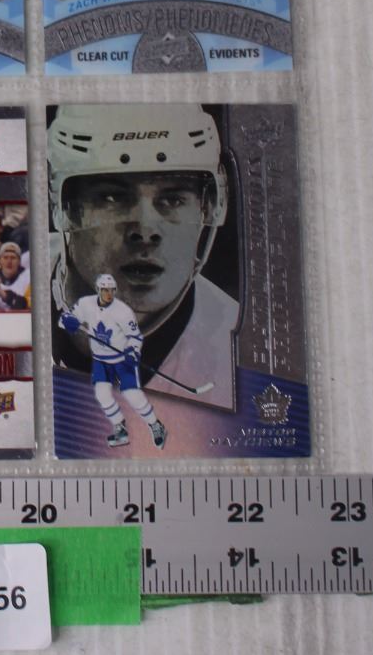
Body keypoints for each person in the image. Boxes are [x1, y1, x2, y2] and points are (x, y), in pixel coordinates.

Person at [47, 104, 237, 408]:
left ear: (208, 207)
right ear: (64, 206)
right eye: (112, 197)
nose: (146, 230)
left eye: (173, 199)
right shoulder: (11, 287)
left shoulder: (236, 353)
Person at [58, 273, 167, 449]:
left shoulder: (122, 311)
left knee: (132, 394)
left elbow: (135, 336)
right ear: (98, 290)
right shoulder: (86, 304)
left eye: (111, 290)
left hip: (121, 359)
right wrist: (68, 321)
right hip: (101, 360)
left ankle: (156, 425)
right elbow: (64, 320)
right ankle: (120, 428)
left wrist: (133, 351)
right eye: (104, 290)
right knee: (102, 394)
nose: (108, 294)